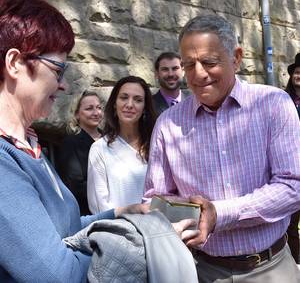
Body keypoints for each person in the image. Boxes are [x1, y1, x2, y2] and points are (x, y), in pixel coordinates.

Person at [0, 0, 149, 282]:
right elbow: (61, 275)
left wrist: (121, 213)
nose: (64, 85)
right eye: (58, 69)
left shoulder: (28, 145)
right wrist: (150, 243)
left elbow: (62, 227)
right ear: (15, 62)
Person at [144, 14, 300, 282]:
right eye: (189, 65)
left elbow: (292, 186)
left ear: (236, 58)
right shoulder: (168, 124)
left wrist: (219, 213)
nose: (198, 74)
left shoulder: (273, 104)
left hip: (271, 269)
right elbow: (155, 199)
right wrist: (181, 216)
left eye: (209, 62)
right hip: (201, 270)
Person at [87, 76, 156, 213]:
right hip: (118, 231)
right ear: (114, 103)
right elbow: (99, 207)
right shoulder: (100, 149)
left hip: (157, 229)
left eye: (138, 100)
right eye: (124, 97)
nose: (130, 104)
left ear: (145, 108)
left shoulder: (156, 146)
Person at [57, 90, 103, 215]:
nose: (96, 113)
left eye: (99, 108)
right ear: (77, 114)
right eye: (89, 108)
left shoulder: (110, 139)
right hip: (88, 212)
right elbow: (75, 186)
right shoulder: (70, 143)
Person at [285, 53, 300, 264]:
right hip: (291, 167)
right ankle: (295, 259)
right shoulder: (282, 99)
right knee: (290, 221)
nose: (299, 76)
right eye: (297, 72)